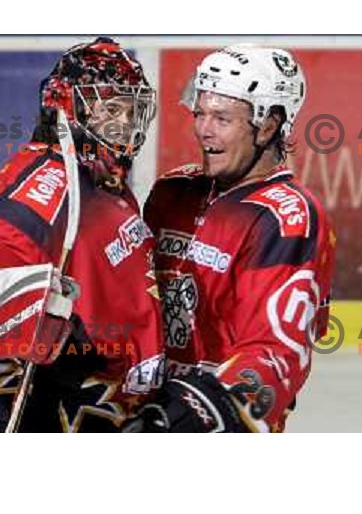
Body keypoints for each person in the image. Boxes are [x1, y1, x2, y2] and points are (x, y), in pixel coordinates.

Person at [0, 37, 165, 432]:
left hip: (104, 404)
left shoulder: (103, 178)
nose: (123, 123)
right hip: (40, 401)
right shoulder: (50, 176)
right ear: (67, 107)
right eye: (110, 109)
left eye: (130, 109)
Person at [126, 44, 336, 433]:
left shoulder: (287, 218)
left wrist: (197, 412)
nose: (204, 129)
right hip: (144, 406)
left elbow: (277, 351)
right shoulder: (173, 191)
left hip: (215, 422)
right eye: (200, 113)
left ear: (269, 125)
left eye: (222, 118)